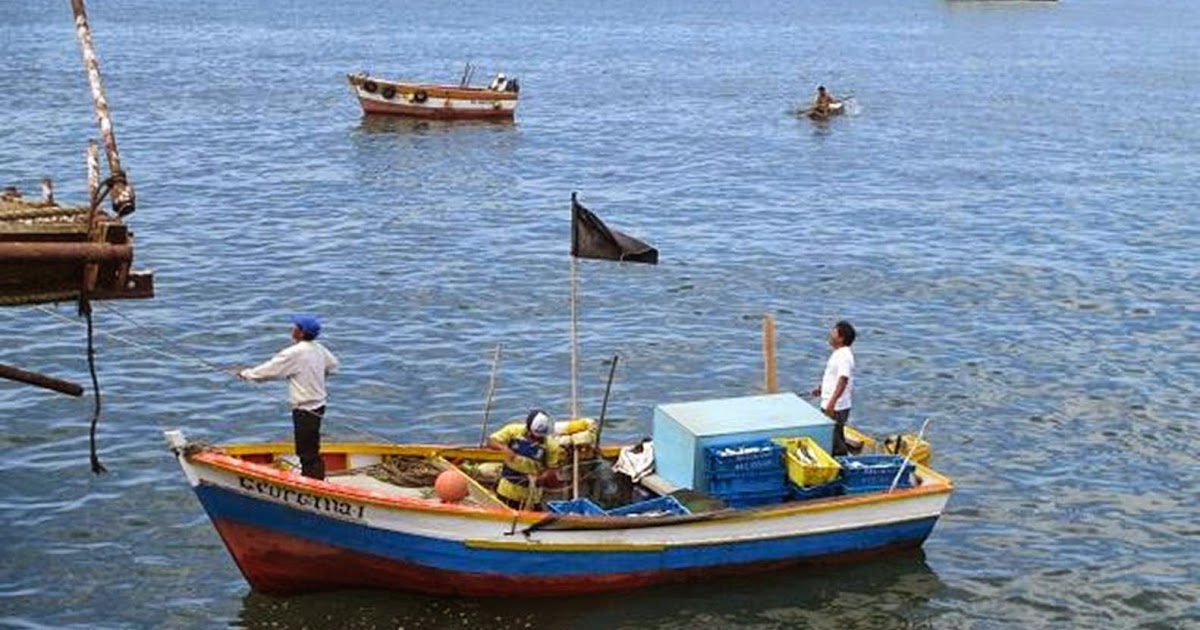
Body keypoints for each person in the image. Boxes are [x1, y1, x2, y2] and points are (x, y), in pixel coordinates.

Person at [236, 315, 340, 480]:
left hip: (305, 409)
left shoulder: (294, 353)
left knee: (306, 452)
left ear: (300, 332)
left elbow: (269, 370)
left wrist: (246, 374)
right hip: (320, 405)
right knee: (311, 446)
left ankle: (314, 484)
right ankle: (313, 478)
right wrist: (317, 374)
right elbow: (334, 367)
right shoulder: (319, 348)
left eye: (295, 327)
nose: (292, 329)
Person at [486, 409, 562, 509]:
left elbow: (551, 469)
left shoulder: (551, 445)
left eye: (540, 437)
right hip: (507, 489)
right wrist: (504, 448)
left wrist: (541, 478)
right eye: (534, 436)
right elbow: (491, 441)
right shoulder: (513, 431)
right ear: (528, 429)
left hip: (531, 494)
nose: (536, 440)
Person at [810, 320, 856, 456]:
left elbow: (843, 379)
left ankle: (842, 466)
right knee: (835, 436)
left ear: (841, 338)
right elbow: (834, 377)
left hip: (837, 407)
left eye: (834, 332)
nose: (830, 335)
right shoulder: (838, 353)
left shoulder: (844, 356)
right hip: (831, 403)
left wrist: (832, 403)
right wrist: (821, 389)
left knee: (835, 442)